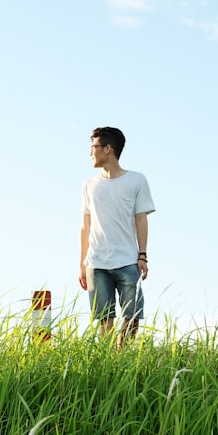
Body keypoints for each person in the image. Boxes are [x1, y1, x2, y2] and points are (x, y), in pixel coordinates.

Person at [78, 127, 156, 347]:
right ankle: (108, 363)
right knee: (104, 319)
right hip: (97, 262)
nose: (90, 153)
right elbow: (85, 226)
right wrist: (82, 264)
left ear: (108, 148)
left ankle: (122, 357)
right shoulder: (89, 185)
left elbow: (141, 219)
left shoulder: (136, 180)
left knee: (133, 316)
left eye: (93, 147)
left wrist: (143, 256)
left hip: (127, 261)